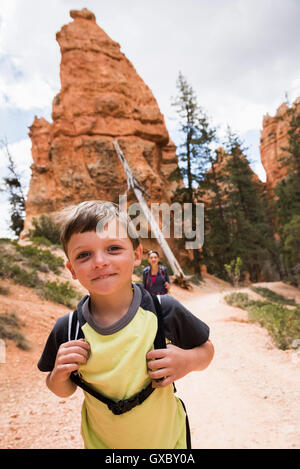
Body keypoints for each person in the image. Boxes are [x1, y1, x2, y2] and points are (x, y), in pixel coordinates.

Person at [37, 200, 214, 449]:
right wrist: (59, 374)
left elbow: (207, 351)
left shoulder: (164, 310)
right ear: (72, 268)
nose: (99, 261)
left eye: (113, 248)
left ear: (137, 254)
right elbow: (62, 390)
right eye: (84, 255)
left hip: (167, 444)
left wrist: (187, 361)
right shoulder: (68, 329)